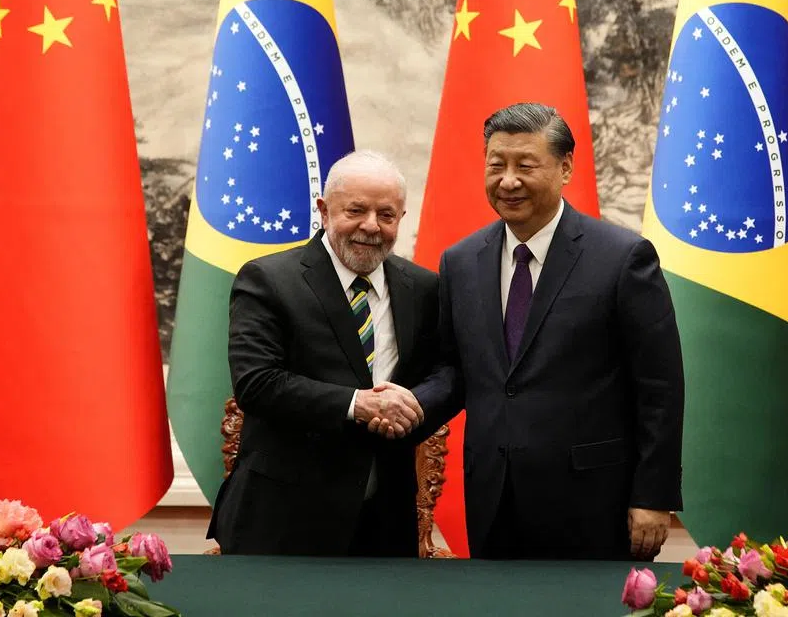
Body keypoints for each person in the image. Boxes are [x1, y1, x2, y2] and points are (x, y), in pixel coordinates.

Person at [411, 102, 685, 560]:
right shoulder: (459, 262)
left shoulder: (622, 258)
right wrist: (405, 405)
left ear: (565, 168)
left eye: (525, 165)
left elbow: (660, 386)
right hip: (492, 499)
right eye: (496, 165)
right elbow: (456, 370)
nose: (508, 180)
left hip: (593, 503)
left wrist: (653, 496)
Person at [209, 150, 437, 557]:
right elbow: (256, 383)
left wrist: (411, 407)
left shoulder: (424, 288)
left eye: (386, 215)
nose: (371, 226)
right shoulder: (268, 279)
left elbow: (447, 373)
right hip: (283, 519)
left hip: (384, 523)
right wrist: (358, 404)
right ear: (324, 210)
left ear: (401, 219)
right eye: (355, 210)